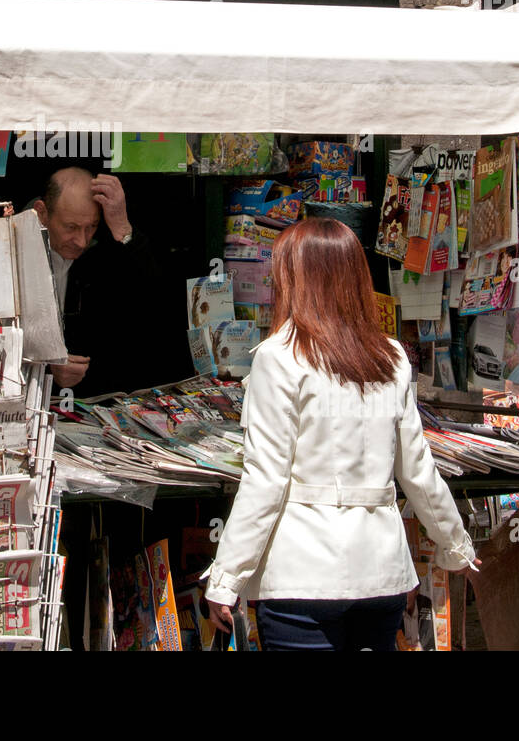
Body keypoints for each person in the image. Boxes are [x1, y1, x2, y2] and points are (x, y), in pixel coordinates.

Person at [203, 218, 480, 651]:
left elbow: (266, 481)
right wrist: (455, 546)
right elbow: (419, 472)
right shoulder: (390, 357)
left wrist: (225, 579)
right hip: (381, 573)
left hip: (303, 578)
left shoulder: (280, 358)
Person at [32, 167, 174, 397]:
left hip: (99, 393)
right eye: (71, 227)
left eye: (91, 227)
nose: (81, 240)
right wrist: (45, 362)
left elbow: (157, 300)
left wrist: (122, 227)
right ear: (42, 213)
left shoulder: (104, 253)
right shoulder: (15, 247)